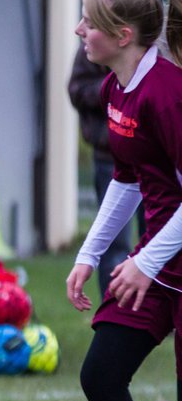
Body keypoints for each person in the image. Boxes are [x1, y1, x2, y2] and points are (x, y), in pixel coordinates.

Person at [66, 0, 182, 401]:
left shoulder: (169, 93)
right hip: (160, 265)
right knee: (101, 375)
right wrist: (91, 254)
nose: (80, 30)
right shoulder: (116, 90)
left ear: (124, 33)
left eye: (90, 21)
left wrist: (143, 258)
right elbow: (129, 178)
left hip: (163, 261)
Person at [69, 45, 134, 297]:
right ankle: (116, 309)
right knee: (114, 242)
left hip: (148, 159)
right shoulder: (90, 49)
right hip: (109, 156)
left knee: (157, 235)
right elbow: (76, 89)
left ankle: (157, 311)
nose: (80, 29)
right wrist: (113, 88)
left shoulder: (154, 69)